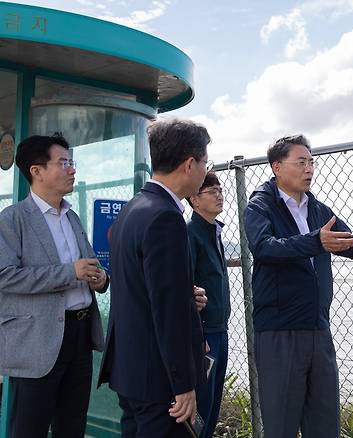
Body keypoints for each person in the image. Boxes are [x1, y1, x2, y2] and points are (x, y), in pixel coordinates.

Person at [245, 134, 353, 438]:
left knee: (325, 423)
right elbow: (264, 247)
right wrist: (315, 242)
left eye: (311, 162)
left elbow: (352, 244)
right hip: (280, 331)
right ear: (277, 166)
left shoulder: (317, 209)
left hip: (318, 327)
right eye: (301, 162)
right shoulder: (260, 205)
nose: (309, 169)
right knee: (281, 426)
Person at [98, 118, 211, 437]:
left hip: (131, 371)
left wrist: (183, 294)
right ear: (190, 164)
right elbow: (168, 310)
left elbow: (139, 288)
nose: (205, 170)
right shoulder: (166, 217)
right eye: (205, 162)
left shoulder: (134, 207)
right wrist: (183, 385)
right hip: (159, 380)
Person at [0, 135, 108, 437]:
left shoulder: (71, 216)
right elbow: (5, 276)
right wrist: (68, 273)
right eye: (64, 163)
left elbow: (89, 265)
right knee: (29, 428)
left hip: (80, 335)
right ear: (37, 171)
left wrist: (101, 279)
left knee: (72, 425)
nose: (72, 169)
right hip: (37, 340)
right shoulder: (13, 219)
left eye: (71, 163)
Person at [186, 172, 240, 438]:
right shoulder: (191, 233)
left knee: (212, 405)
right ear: (194, 199)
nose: (219, 195)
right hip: (205, 334)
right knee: (199, 408)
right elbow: (185, 291)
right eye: (211, 191)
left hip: (220, 330)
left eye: (220, 189)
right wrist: (197, 333)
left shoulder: (213, 231)